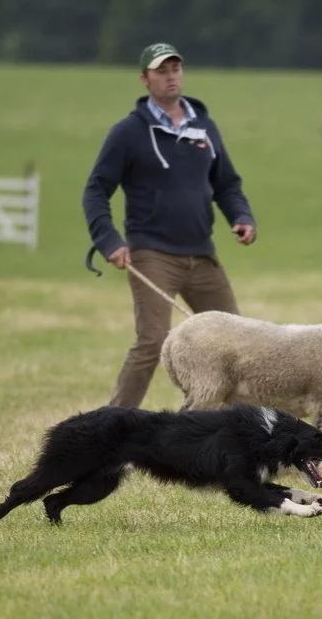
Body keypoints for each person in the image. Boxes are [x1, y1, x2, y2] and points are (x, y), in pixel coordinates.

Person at [82, 42, 257, 408]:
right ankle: (110, 429)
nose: (171, 76)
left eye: (175, 68)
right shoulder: (128, 132)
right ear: (145, 79)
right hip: (152, 255)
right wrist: (108, 240)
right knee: (152, 342)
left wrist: (241, 216)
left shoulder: (204, 127)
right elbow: (96, 190)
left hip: (202, 253)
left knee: (240, 343)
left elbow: (226, 183)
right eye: (161, 71)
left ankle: (250, 433)